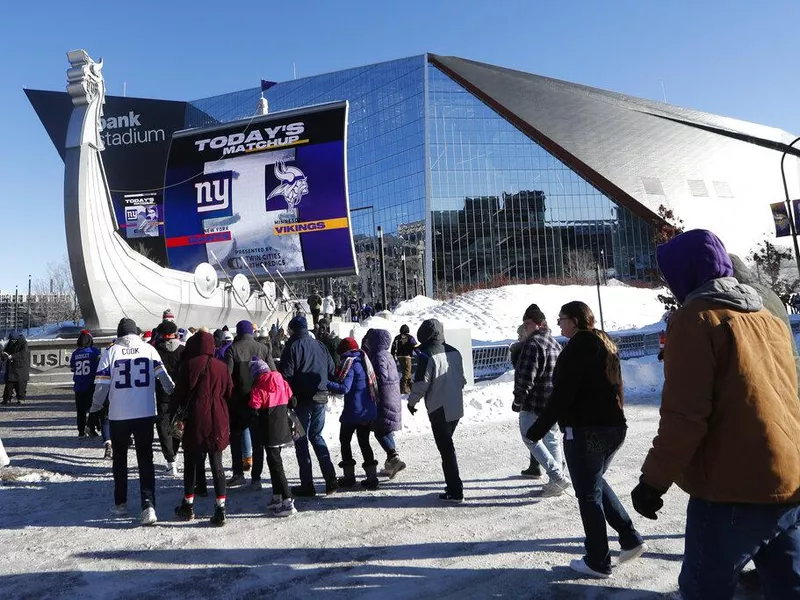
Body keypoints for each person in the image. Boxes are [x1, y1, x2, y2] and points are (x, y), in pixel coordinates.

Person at [631, 230, 800, 598]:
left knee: (704, 591)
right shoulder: (768, 319)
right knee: (789, 588)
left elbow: (685, 416)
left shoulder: (696, 320)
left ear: (685, 273)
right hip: (787, 481)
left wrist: (652, 482)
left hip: (732, 492)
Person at [526, 301, 644, 579]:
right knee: (593, 483)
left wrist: (536, 430)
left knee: (588, 493)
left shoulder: (578, 348)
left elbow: (563, 395)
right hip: (613, 428)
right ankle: (629, 537)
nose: (559, 323)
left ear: (575, 321)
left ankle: (598, 560)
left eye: (562, 318)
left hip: (587, 431)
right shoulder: (604, 342)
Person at [89, 318, 175, 526]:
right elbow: (165, 380)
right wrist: (174, 394)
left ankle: (120, 502)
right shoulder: (149, 350)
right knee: (145, 459)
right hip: (145, 412)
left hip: (119, 415)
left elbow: (101, 385)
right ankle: (148, 505)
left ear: (119, 333)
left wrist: (95, 408)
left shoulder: (111, 352)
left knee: (120, 460)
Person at [172, 331, 233, 526]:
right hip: (218, 417)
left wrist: (172, 415)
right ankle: (221, 508)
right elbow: (230, 392)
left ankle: (188, 505)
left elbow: (179, 394)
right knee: (217, 464)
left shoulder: (188, 366)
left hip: (196, 418)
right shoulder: (222, 367)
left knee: (191, 462)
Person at [512, 305, 570, 496]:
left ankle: (557, 476)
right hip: (552, 401)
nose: (526, 327)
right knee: (551, 438)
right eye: (525, 323)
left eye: (528, 323)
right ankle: (557, 481)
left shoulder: (533, 344)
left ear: (539, 324)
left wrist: (519, 399)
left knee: (530, 437)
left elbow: (526, 375)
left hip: (534, 402)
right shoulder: (554, 342)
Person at [407, 319, 466, 503]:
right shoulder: (455, 351)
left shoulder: (426, 354)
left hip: (439, 408)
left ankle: (455, 490)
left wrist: (412, 402)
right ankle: (452, 486)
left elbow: (421, 384)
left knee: (447, 450)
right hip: (456, 406)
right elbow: (462, 379)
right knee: (447, 447)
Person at [280, 315, 338, 497]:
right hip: (320, 397)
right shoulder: (319, 345)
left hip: (300, 401)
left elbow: (286, 375)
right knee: (317, 435)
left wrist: (289, 397)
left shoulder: (292, 346)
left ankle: (307, 484)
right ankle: (330, 479)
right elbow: (331, 369)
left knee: (300, 439)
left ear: (293, 329)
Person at [224, 320, 274, 487]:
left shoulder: (232, 349)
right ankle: (256, 478)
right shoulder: (264, 349)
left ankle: (238, 473)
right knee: (257, 441)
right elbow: (272, 373)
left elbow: (227, 376)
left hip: (239, 401)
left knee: (237, 438)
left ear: (238, 332)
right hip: (259, 401)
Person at [327, 337, 380, 489]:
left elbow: (345, 388)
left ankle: (349, 477)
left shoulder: (350, 363)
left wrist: (326, 383)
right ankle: (372, 478)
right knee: (364, 442)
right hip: (367, 408)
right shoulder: (363, 360)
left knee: (344, 439)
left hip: (354, 411)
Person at [249, 357, 297, 517]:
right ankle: (277, 496)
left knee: (276, 465)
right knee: (273, 461)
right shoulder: (281, 380)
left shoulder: (259, 385)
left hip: (269, 429)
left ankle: (287, 500)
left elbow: (253, 409)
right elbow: (293, 401)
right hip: (283, 427)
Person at [364, 328, 405, 478]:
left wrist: (371, 383)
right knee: (387, 429)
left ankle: (393, 457)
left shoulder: (379, 356)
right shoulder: (387, 355)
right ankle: (391, 464)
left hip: (384, 397)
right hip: (392, 396)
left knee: (380, 431)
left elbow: (381, 376)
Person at [154, 320, 184, 477]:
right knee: (177, 426)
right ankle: (175, 452)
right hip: (180, 395)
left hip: (162, 395)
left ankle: (170, 460)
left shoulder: (155, 351)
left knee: (163, 427)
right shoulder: (183, 351)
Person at [69, 330, 101, 438]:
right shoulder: (94, 352)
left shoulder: (75, 353)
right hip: (91, 385)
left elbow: (73, 368)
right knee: (93, 408)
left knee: (80, 410)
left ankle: (81, 431)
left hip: (79, 386)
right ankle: (91, 428)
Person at [2, 333, 30, 405]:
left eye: (14, 340)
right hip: (12, 367)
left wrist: (13, 356)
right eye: (11, 340)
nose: (12, 341)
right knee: (9, 384)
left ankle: (21, 399)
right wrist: (4, 355)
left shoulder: (23, 343)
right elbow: (6, 350)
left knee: (20, 385)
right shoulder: (11, 342)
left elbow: (22, 354)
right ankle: (6, 398)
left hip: (21, 368)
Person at [391, 324, 417, 394]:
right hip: (407, 357)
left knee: (406, 372)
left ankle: (411, 387)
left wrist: (393, 355)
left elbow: (393, 347)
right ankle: (402, 389)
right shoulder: (410, 337)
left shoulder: (397, 337)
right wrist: (420, 353)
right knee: (407, 372)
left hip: (399, 357)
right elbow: (415, 346)